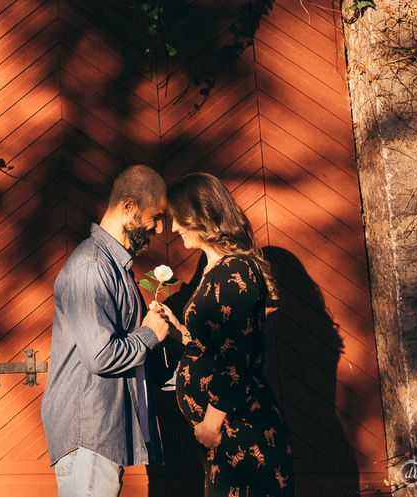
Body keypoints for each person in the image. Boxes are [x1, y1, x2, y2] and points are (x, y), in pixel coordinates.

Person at [155, 172, 294, 497]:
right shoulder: (212, 270)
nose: (174, 228)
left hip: (242, 430)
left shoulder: (235, 270)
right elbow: (215, 345)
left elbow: (237, 354)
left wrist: (213, 421)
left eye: (179, 219)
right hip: (227, 433)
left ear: (201, 215)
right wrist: (179, 331)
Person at [42, 164, 171, 497]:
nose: (159, 228)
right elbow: (101, 356)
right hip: (88, 435)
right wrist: (149, 334)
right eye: (155, 217)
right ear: (127, 206)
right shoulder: (92, 266)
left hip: (101, 435)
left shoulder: (116, 267)